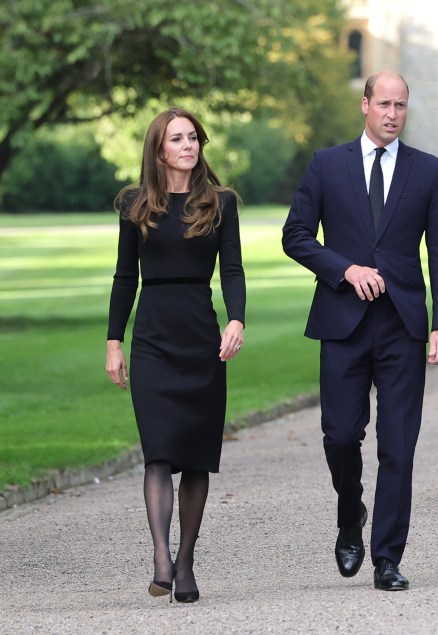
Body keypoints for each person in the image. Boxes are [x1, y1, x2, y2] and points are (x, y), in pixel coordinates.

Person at [282, 70, 438, 591]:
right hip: (343, 321)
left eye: (400, 105)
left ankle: (387, 558)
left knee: (398, 447)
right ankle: (349, 511)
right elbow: (295, 235)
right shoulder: (327, 164)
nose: (392, 114)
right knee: (340, 436)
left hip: (402, 325)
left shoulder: (427, 171)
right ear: (364, 105)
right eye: (383, 103)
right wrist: (344, 269)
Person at [105, 107, 246, 602]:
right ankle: (162, 561)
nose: (188, 145)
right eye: (177, 139)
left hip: (200, 339)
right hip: (152, 339)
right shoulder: (135, 204)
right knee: (159, 451)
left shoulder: (221, 203)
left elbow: (233, 269)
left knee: (197, 458)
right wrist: (113, 342)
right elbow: (125, 277)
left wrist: (236, 319)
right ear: (159, 149)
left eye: (193, 138)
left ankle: (185, 563)